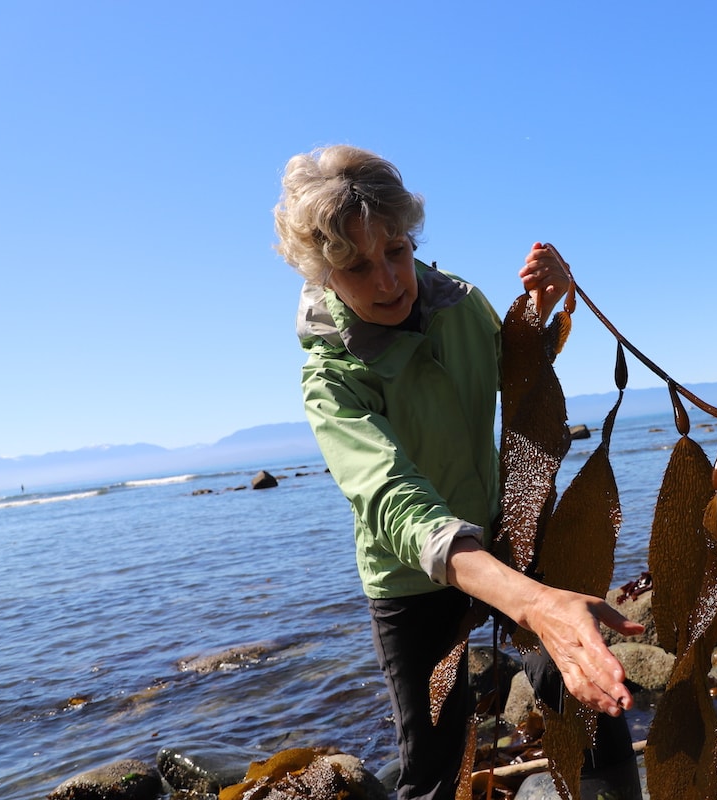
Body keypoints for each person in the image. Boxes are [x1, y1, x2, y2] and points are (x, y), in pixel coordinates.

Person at [274, 144, 643, 800]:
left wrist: (547, 304)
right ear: (323, 274)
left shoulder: (461, 307)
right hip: (411, 576)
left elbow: (521, 367)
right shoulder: (330, 379)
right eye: (357, 265)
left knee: (590, 690)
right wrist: (537, 603)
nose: (388, 280)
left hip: (504, 538)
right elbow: (395, 503)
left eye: (396, 250)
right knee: (435, 766)